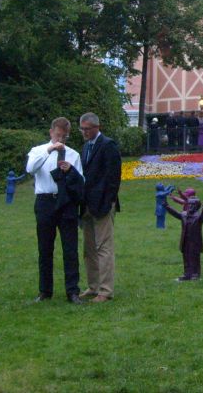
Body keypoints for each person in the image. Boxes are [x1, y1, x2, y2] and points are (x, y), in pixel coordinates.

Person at [25, 117, 84, 303]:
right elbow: (30, 169)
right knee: (45, 247)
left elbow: (81, 181)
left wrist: (70, 170)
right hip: (45, 201)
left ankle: (72, 291)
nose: (61, 140)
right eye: (58, 136)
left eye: (65, 137)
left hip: (66, 202)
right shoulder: (38, 151)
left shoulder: (73, 154)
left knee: (70, 248)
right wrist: (49, 150)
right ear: (51, 132)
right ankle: (45, 291)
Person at [78, 112, 122, 303]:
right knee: (88, 248)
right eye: (82, 129)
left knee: (103, 247)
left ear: (97, 127)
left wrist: (108, 202)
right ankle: (93, 286)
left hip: (103, 204)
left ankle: (106, 290)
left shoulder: (108, 145)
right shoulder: (86, 147)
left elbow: (113, 177)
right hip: (86, 204)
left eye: (87, 129)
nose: (84, 132)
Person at [164, 196, 203, 281]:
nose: (190, 206)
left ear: (196, 206)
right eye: (189, 204)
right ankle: (187, 273)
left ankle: (195, 273)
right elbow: (176, 214)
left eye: (192, 205)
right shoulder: (184, 215)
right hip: (185, 240)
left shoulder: (198, 217)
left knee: (194, 257)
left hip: (195, 241)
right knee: (186, 257)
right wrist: (167, 206)